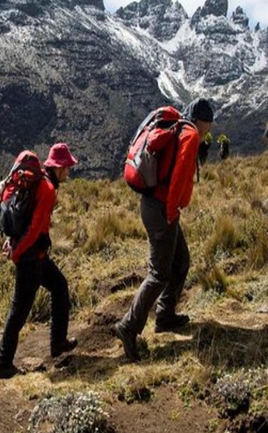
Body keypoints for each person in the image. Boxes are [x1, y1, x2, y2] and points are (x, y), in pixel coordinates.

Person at [112, 98, 214, 361]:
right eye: (209, 123)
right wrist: (171, 213)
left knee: (181, 261)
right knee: (159, 273)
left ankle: (165, 316)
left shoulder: (179, 128)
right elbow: (180, 175)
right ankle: (129, 326)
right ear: (201, 120)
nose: (209, 129)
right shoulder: (190, 134)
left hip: (154, 204)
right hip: (162, 209)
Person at [0, 143, 79, 379]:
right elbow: (33, 229)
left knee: (60, 287)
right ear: (59, 167)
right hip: (31, 259)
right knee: (19, 311)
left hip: (35, 257)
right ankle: (3, 364)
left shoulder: (38, 183)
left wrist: (13, 243)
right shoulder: (47, 188)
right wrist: (17, 251)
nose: (69, 172)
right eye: (67, 168)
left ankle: (58, 343)